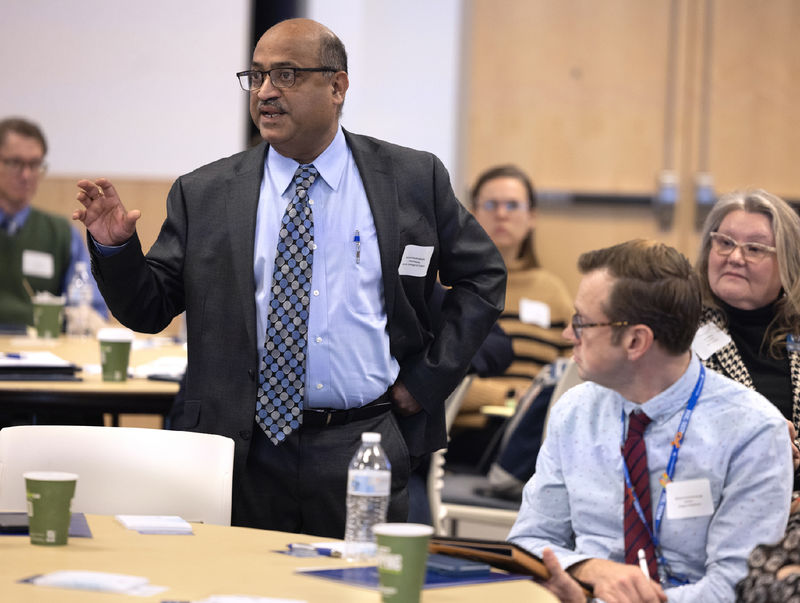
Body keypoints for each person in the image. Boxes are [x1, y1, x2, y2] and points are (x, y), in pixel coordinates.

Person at [72, 18, 506, 536]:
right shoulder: (206, 192)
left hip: (361, 445)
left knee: (359, 592)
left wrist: (428, 379)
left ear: (338, 85)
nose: (266, 93)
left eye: (287, 75)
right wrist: (115, 248)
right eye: (256, 77)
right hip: (243, 451)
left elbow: (483, 277)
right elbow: (149, 308)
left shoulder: (411, 179)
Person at [507, 239, 793, 602]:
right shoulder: (576, 411)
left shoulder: (751, 431)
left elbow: (734, 589)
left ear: (635, 341)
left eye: (581, 323)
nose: (568, 335)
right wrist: (588, 570)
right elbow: (526, 543)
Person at [447, 165, 572, 466]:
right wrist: (509, 395)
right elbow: (433, 377)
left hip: (532, 440)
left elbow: (574, 373)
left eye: (513, 205)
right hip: (459, 437)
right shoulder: (449, 285)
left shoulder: (553, 293)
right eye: (491, 205)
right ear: (472, 212)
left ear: (532, 217)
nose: (502, 215)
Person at [693, 189, 800, 432]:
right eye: (725, 243)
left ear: (788, 262)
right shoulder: (677, 332)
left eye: (754, 248)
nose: (735, 257)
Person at [0, 117, 106, 330]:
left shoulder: (61, 233)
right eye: (15, 163)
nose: (26, 175)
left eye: (35, 164)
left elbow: (90, 307)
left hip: (44, 355)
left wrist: (85, 319)